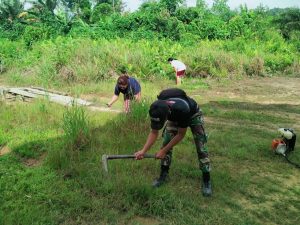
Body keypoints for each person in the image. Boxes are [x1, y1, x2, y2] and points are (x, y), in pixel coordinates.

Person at [134, 88, 212, 196]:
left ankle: (206, 179)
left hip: (193, 114)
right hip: (174, 114)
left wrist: (163, 151)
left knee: (200, 145)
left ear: (167, 114)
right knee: (166, 141)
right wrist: (143, 151)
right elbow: (154, 132)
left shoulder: (183, 108)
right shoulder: (156, 108)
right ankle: (163, 175)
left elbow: (181, 134)